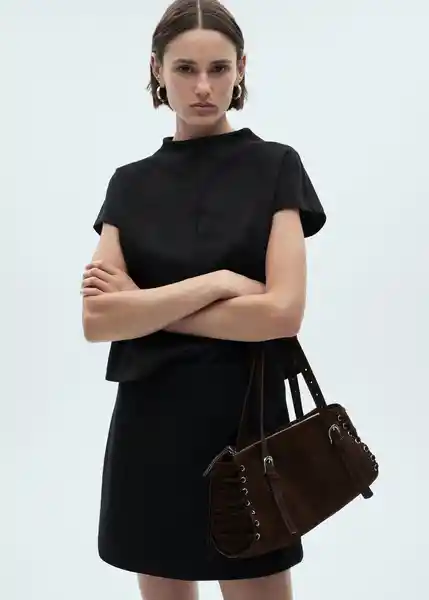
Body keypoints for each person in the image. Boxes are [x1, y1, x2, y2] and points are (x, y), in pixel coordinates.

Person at [81, 0, 326, 598]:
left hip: (246, 425)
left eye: (218, 68)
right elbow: (98, 319)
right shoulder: (129, 183)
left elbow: (281, 313)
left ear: (241, 68)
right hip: (149, 428)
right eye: (185, 68)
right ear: (157, 69)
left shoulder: (275, 166)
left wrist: (146, 309)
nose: (202, 87)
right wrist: (217, 283)